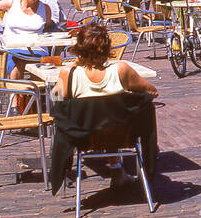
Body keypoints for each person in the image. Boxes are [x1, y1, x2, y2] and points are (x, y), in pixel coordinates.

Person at [54, 23, 158, 186]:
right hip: (123, 135)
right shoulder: (121, 70)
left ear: (80, 49)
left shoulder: (69, 74)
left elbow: (56, 99)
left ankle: (117, 171)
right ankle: (118, 171)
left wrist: (75, 64)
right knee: (109, 115)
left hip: (85, 138)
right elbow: (152, 92)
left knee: (100, 116)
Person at [0, 0, 57, 79]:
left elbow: (47, 26)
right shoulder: (12, 3)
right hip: (12, 47)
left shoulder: (45, 8)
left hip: (36, 48)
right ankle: (17, 94)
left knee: (40, 69)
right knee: (17, 63)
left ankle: (34, 93)